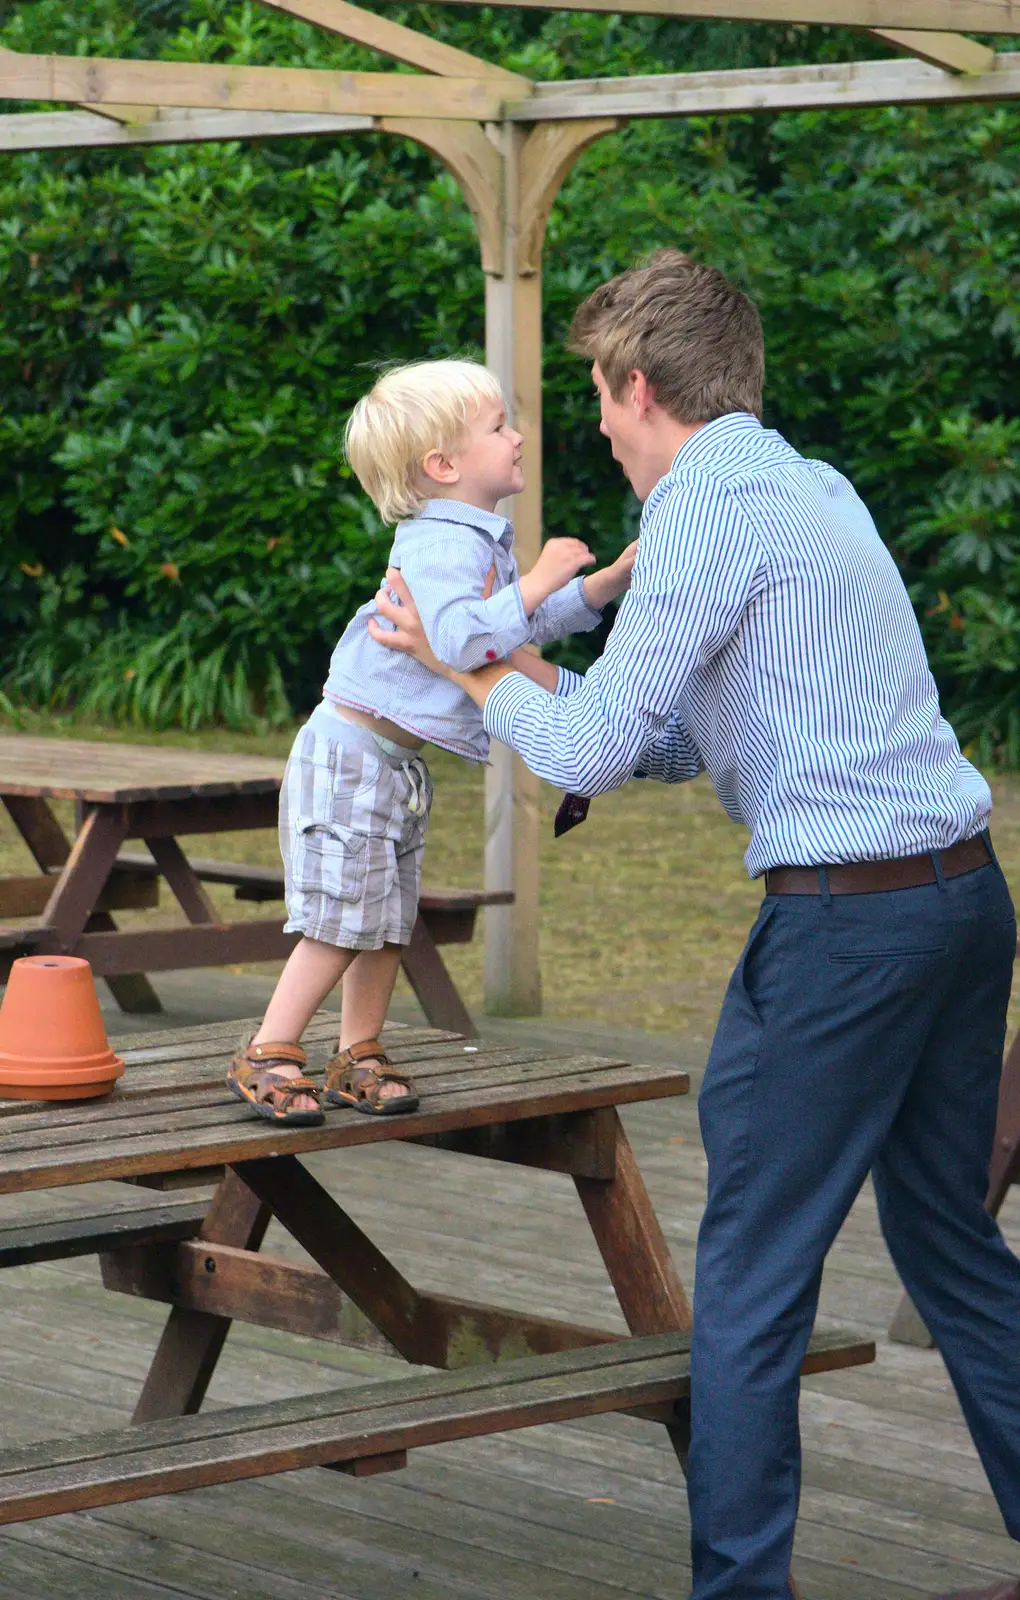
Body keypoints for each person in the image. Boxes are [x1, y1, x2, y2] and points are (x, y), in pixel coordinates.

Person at [368, 254, 1020, 1600]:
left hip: (849, 934)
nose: (594, 429)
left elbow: (593, 755)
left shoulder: (699, 514)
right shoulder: (803, 486)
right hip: (961, 900)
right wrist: (528, 670)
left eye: (599, 400)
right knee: (950, 1239)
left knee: (749, 1282)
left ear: (641, 386)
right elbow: (681, 734)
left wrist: (466, 665)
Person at [226, 357, 636, 1126]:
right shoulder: (441, 546)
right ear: (443, 465)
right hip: (349, 755)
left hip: (390, 762)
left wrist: (598, 586)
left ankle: (359, 1051)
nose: (517, 437)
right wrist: (543, 578)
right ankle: (271, 1050)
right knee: (342, 917)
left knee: (386, 916)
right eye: (498, 427)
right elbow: (456, 637)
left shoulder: (474, 537)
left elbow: (511, 631)